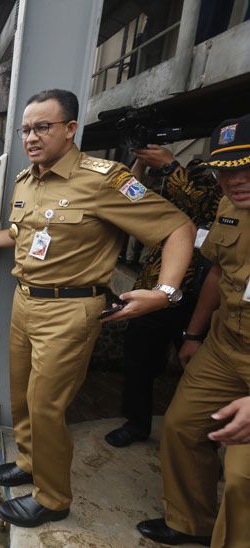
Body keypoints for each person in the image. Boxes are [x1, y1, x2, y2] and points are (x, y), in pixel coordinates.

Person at [0, 89, 195, 528]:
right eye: (25, 129)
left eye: (42, 126)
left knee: (46, 406)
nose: (31, 137)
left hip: (71, 311)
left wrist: (165, 291)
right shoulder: (28, 180)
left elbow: (177, 226)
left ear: (69, 129)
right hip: (26, 302)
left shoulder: (105, 179)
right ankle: (29, 462)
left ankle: (52, 497)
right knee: (23, 395)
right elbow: (18, 235)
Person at [137, 114, 250, 547]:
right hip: (225, 345)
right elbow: (219, 274)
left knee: (241, 476)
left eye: (246, 167)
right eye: (225, 171)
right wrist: (194, 336)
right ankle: (191, 524)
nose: (234, 180)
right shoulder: (229, 205)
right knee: (182, 427)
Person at [105, 149, 222, 448]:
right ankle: (136, 423)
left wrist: (171, 165)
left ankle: (201, 440)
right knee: (138, 360)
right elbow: (130, 194)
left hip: (201, 301)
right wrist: (142, 161)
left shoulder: (225, 199)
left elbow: (202, 200)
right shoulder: (173, 201)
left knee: (199, 372)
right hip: (154, 292)